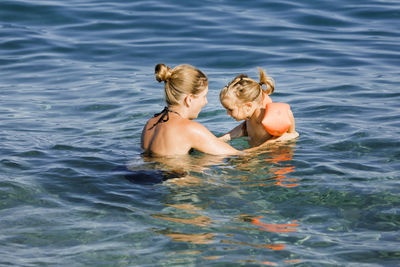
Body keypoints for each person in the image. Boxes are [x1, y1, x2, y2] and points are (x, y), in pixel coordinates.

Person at [141, 63, 241, 156]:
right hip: (172, 174)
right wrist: (257, 148)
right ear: (189, 99)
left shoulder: (150, 124)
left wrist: (228, 137)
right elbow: (237, 154)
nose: (206, 102)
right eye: (204, 96)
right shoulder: (189, 129)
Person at [219, 68, 299, 147]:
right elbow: (243, 129)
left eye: (230, 109)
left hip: (270, 156)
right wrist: (222, 139)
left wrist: (292, 132)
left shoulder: (264, 117)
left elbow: (288, 114)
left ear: (248, 106)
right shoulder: (249, 116)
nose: (228, 113)